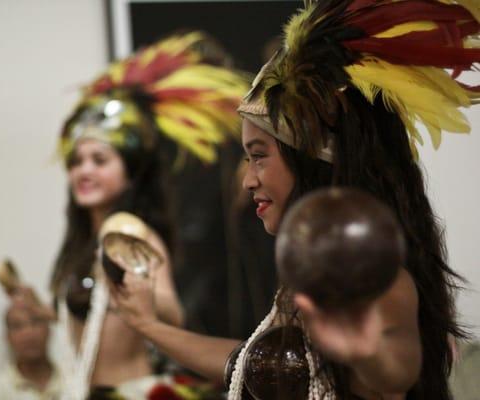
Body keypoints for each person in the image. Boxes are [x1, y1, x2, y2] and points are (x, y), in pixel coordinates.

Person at [109, 1, 480, 399]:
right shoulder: (304, 279)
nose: (249, 179)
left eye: (259, 156)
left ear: (310, 160)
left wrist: (371, 353)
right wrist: (148, 326)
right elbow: (246, 363)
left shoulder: (376, 274)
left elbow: (396, 370)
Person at [14, 32, 249, 399]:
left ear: (130, 174)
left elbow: (172, 312)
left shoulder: (128, 231)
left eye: (100, 160)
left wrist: (142, 294)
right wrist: (47, 313)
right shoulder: (86, 239)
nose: (83, 171)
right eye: (77, 162)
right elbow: (96, 319)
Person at [0, 303, 62, 400]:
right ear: (7, 337)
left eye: (35, 322)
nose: (29, 334)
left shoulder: (74, 380)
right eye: (17, 326)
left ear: (49, 329)